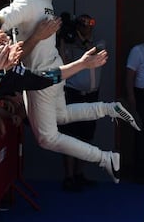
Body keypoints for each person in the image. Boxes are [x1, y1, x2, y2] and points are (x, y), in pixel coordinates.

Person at [0, 0, 141, 183]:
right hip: (52, 68)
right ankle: (109, 109)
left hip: (39, 75)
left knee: (47, 138)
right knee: (61, 116)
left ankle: (105, 158)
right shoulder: (44, 0)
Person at [58, 14, 104, 191]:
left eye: (92, 23)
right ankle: (69, 177)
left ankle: (79, 174)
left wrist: (79, 40)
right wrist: (63, 40)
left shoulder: (99, 43)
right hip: (72, 94)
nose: (90, 27)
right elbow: (63, 62)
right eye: (85, 24)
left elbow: (92, 51)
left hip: (91, 96)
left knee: (86, 136)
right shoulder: (69, 44)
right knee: (69, 136)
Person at [126, 27, 144, 183]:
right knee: (143, 134)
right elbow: (130, 76)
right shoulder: (138, 51)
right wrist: (131, 98)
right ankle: (141, 174)